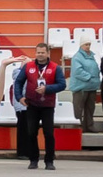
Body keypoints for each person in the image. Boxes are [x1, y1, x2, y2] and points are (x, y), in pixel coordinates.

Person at [11, 42, 65, 170]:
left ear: (48, 53)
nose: (40, 55)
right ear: (35, 53)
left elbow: (62, 84)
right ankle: (33, 160)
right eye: (38, 52)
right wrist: (19, 97)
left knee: (49, 133)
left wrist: (47, 89)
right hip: (32, 104)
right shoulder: (28, 66)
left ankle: (49, 161)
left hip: (48, 105)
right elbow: (18, 82)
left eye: (43, 52)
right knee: (31, 133)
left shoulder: (55, 67)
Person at [68, 36, 103, 153]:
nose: (88, 47)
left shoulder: (92, 56)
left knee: (90, 107)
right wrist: (89, 77)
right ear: (81, 45)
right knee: (79, 108)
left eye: (89, 44)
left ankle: (89, 125)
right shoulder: (77, 57)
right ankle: (79, 126)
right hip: (81, 87)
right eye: (86, 44)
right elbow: (78, 71)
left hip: (91, 87)